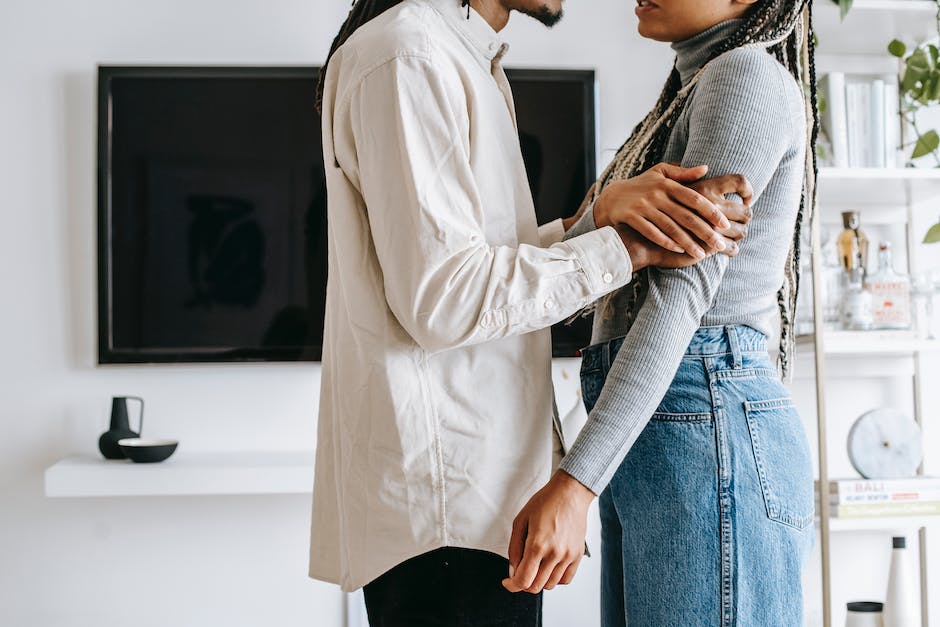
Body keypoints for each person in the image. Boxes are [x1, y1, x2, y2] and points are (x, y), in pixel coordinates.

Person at [310, 1, 755, 625]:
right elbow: (444, 299)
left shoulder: (463, 56)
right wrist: (625, 248)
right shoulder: (407, 53)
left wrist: (594, 220)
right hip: (447, 515)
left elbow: (476, 268)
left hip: (478, 503)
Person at [503, 0, 818, 624]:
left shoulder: (743, 77)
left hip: (706, 415)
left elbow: (681, 298)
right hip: (678, 421)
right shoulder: (695, 84)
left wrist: (576, 482)